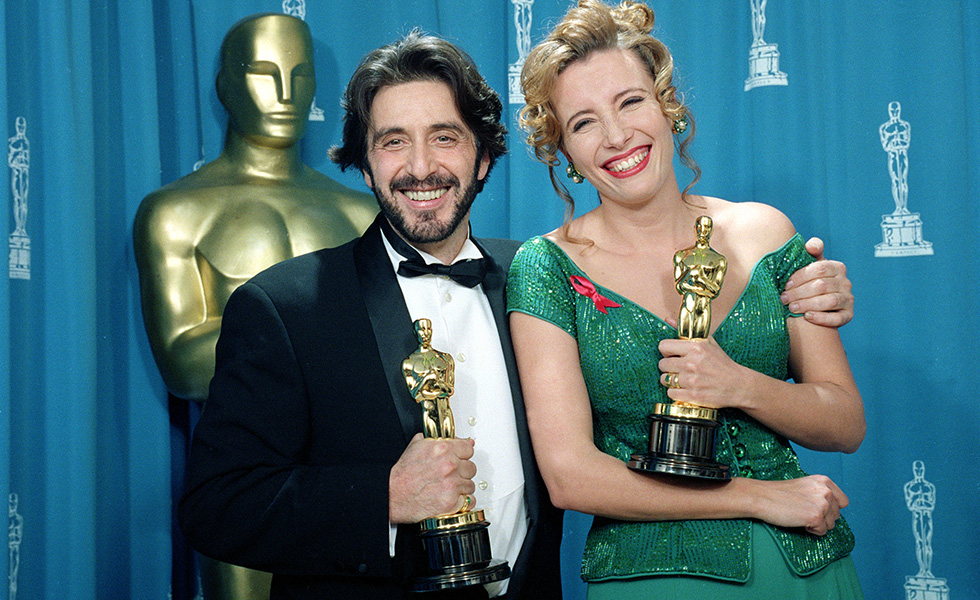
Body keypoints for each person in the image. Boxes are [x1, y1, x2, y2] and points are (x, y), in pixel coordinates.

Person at [178, 27, 855, 600]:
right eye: (392, 142)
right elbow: (216, 507)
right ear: (364, 164)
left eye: (445, 137)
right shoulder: (286, 307)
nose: (421, 166)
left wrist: (807, 289)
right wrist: (383, 495)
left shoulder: (539, 278)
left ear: (483, 157)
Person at [507, 1, 866, 598]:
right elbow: (570, 477)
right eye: (584, 123)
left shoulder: (765, 232)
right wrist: (759, 497)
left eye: (630, 101)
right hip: (653, 579)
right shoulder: (546, 267)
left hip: (809, 569)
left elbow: (845, 422)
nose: (617, 136)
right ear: (563, 152)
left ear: (666, 105)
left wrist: (738, 384)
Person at [133, 13, 377, 600]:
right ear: (226, 86)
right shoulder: (176, 212)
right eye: (265, 73)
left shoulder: (360, 213)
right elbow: (184, 365)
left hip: (358, 476)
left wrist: (265, 345)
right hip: (246, 473)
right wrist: (332, 347)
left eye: (300, 75)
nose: (286, 93)